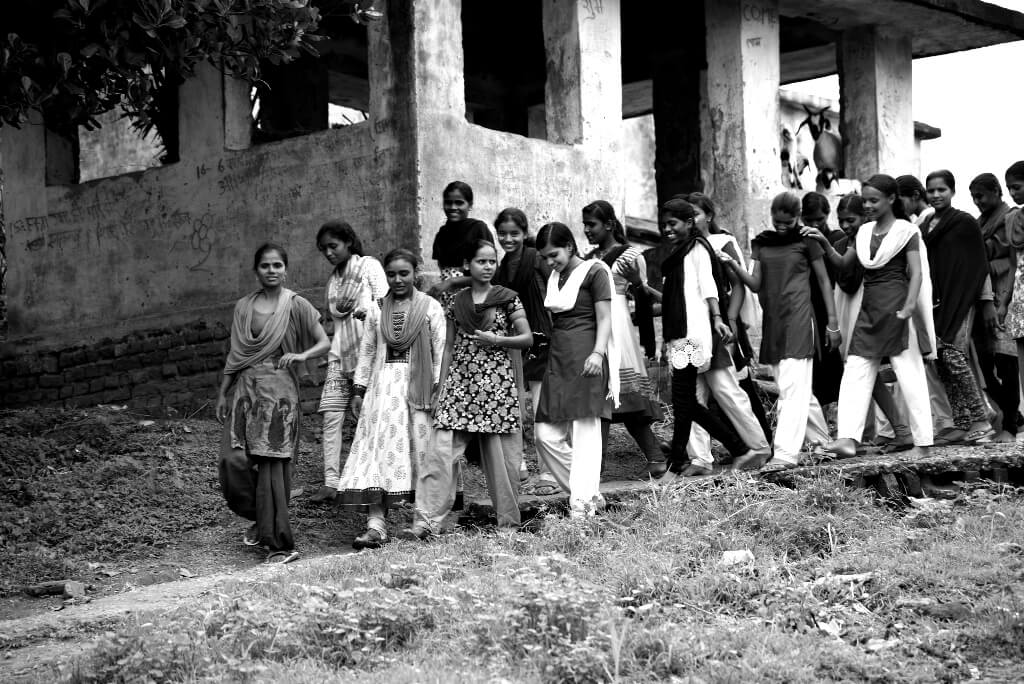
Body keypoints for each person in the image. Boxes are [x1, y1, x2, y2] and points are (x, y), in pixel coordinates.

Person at [803, 174, 935, 459]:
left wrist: (910, 306)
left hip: (898, 309)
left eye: (874, 200)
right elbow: (842, 263)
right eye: (866, 200)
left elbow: (916, 273)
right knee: (855, 372)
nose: (868, 205)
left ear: (891, 199)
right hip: (870, 308)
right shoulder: (863, 233)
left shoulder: (906, 231)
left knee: (909, 374)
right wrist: (825, 243)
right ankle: (848, 439)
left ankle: (922, 443)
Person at [408, 240, 533, 538]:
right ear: (468, 264)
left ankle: (508, 526)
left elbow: (527, 338)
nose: (488, 267)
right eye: (481, 261)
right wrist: (442, 386)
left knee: (504, 463)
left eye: (492, 261)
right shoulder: (456, 302)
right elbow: (449, 347)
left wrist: (498, 340)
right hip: (460, 386)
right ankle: (426, 521)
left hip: (497, 389)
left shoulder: (508, 299)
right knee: (439, 454)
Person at [216, 243, 330, 564]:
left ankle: (281, 544)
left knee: (271, 470)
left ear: (285, 269)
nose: (271, 271)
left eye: (277, 265)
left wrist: (302, 355)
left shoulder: (296, 305)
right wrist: (223, 393)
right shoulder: (243, 307)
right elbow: (236, 355)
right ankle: (260, 516)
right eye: (265, 265)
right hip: (245, 392)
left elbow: (324, 342)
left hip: (279, 396)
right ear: (256, 270)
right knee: (232, 461)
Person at [336, 249, 446, 549]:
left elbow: (440, 353)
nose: (398, 279)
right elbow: (368, 352)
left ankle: (423, 522)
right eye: (392, 274)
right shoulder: (376, 309)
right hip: (382, 393)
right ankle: (376, 525)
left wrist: (437, 391)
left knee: (422, 451)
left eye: (404, 273)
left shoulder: (430, 308)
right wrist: (358, 391)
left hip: (419, 393)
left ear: (415, 274)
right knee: (377, 453)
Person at [722, 191, 839, 472]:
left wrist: (832, 323)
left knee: (791, 389)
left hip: (800, 318)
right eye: (778, 220)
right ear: (772, 216)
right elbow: (755, 284)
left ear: (797, 217)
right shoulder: (761, 243)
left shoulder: (808, 241)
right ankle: (822, 444)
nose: (782, 225)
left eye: (788, 221)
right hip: (774, 321)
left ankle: (785, 454)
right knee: (796, 388)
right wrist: (732, 265)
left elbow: (824, 282)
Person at [657, 199, 763, 478]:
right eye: (664, 224)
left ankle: (733, 450)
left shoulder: (697, 248)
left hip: (694, 332)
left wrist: (718, 318)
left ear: (689, 223)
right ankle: (726, 451)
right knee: (685, 402)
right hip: (679, 335)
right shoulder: (677, 251)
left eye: (673, 224)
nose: (667, 229)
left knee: (685, 401)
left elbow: (709, 286)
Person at [533, 222, 617, 516]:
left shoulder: (596, 271)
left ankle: (582, 510)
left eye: (553, 254)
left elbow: (606, 318)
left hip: (587, 357)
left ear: (570, 246)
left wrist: (598, 353)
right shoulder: (556, 276)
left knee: (585, 435)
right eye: (544, 257)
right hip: (559, 357)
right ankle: (588, 491)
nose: (549, 262)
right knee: (544, 434)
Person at [580, 200, 665, 476]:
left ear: (608, 224)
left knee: (613, 395)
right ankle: (653, 459)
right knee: (607, 398)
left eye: (591, 225)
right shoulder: (588, 257)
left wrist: (648, 346)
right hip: (595, 324)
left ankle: (596, 467)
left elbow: (642, 299)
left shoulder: (631, 256)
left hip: (617, 327)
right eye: (585, 225)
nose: (587, 230)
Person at [311, 221, 388, 503]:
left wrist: (366, 310)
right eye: (324, 250)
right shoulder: (333, 282)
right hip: (340, 355)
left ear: (348, 242)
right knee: (331, 417)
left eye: (333, 246)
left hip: (370, 353)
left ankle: (373, 478)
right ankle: (331, 481)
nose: (329, 253)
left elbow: (386, 303)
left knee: (367, 418)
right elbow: (335, 324)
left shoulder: (369, 267)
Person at [687, 192, 771, 446]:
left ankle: (761, 441)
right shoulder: (687, 245)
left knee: (736, 382)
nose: (691, 219)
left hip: (724, 318)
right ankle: (730, 444)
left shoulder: (722, 242)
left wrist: (731, 320)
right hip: (697, 322)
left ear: (708, 216)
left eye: (696, 214)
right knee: (708, 387)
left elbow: (738, 285)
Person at [922, 170, 994, 443]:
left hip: (962, 299)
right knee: (940, 360)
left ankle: (981, 419)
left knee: (953, 356)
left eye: (942, 190)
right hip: (936, 302)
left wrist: (986, 302)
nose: (936, 195)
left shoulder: (964, 223)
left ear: (952, 191)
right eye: (931, 190)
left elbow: (979, 263)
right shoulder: (926, 225)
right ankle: (961, 422)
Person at [493, 208, 554, 489]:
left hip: (542, 339)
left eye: (514, 233)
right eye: (503, 234)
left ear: (525, 233)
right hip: (515, 343)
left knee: (543, 409)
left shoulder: (536, 259)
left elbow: (555, 289)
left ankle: (547, 473)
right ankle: (519, 468)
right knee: (516, 408)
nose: (508, 238)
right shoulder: (503, 266)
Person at [898, 173, 957, 442]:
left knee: (933, 358)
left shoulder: (923, 223)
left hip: (924, 295)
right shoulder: (917, 222)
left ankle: (948, 421)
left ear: (913, 197)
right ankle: (940, 421)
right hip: (923, 294)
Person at [969, 173, 1018, 442]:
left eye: (981, 196)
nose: (977, 202)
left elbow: (1009, 259)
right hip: (984, 295)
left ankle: (1011, 424)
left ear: (997, 191)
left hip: (1005, 295)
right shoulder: (980, 222)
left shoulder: (1009, 218)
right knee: (986, 364)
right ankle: (1011, 416)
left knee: (1006, 362)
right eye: (974, 197)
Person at [802, 192, 846, 408]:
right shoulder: (801, 241)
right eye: (809, 220)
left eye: (819, 219)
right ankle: (822, 409)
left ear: (827, 215)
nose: (814, 224)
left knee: (836, 357)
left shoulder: (837, 238)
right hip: (810, 305)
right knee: (818, 359)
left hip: (837, 302)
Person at [428, 181, 493, 305]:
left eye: (459, 203)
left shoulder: (478, 229)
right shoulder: (442, 234)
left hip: (476, 298)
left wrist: (453, 282)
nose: (453, 207)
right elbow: (443, 272)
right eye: (448, 202)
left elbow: (489, 275)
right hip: (447, 300)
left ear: (470, 205)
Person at [1002, 162, 1024, 411]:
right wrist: (1005, 303)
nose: (1012, 193)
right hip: (1020, 297)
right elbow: (1011, 264)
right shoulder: (1013, 219)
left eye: (1016, 187)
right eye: (1009, 188)